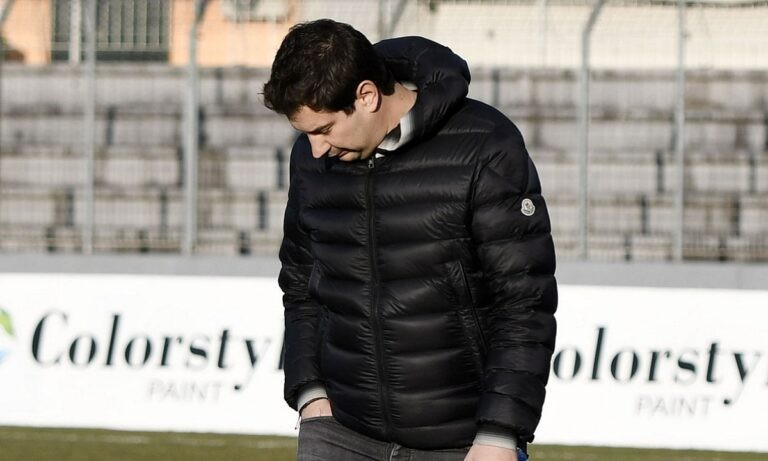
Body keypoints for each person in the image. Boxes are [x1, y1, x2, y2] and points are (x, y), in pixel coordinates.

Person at [264, 19, 557, 461]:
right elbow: (300, 281)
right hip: (338, 432)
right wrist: (310, 393)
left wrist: (500, 432)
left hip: (462, 442)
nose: (316, 148)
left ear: (366, 96)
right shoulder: (310, 158)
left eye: (324, 129)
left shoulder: (486, 145)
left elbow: (523, 302)